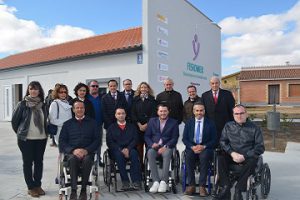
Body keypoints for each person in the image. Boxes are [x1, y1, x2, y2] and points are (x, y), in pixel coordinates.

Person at [213, 105, 265, 200]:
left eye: (241, 113)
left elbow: (260, 147)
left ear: (246, 114)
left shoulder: (255, 128)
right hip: (232, 155)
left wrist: (245, 156)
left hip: (248, 158)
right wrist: (232, 153)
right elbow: (223, 141)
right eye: (236, 113)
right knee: (220, 158)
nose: (239, 116)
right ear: (233, 115)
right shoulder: (228, 126)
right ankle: (225, 187)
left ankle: (239, 190)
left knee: (253, 160)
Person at [11, 81, 48, 198]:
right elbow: (15, 122)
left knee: (39, 162)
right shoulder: (22, 104)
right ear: (28, 90)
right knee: (27, 163)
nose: (33, 91)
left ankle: (37, 185)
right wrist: (21, 133)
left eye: (36, 89)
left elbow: (46, 120)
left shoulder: (43, 105)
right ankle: (30, 187)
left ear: (39, 91)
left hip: (41, 138)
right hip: (26, 140)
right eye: (31, 89)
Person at [59, 100, 100, 200]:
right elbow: (62, 141)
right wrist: (73, 150)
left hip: (88, 152)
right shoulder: (67, 124)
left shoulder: (92, 123)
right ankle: (73, 191)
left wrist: (86, 150)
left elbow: (97, 140)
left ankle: (83, 190)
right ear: (73, 110)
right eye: (77, 108)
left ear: (84, 109)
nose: (79, 110)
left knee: (87, 160)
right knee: (72, 159)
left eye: (81, 108)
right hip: (72, 153)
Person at [182, 102, 217, 197]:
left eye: (201, 110)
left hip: (205, 148)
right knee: (188, 156)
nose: (199, 112)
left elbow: (214, 140)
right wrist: (192, 147)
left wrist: (204, 146)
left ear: (204, 111)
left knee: (204, 157)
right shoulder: (189, 123)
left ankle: (202, 186)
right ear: (193, 112)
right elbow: (184, 139)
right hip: (192, 147)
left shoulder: (211, 123)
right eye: (197, 110)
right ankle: (191, 185)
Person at [144, 104, 179, 193]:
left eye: (165, 111)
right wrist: (152, 144)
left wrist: (166, 146)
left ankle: (163, 181)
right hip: (154, 147)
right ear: (157, 112)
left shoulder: (174, 122)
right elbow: (147, 136)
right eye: (161, 111)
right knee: (150, 153)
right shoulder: (152, 121)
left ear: (168, 111)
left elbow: (175, 138)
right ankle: (156, 181)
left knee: (167, 154)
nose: (163, 113)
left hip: (166, 146)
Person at [106, 108, 142, 190]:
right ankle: (125, 181)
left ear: (125, 115)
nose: (121, 115)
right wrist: (120, 149)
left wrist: (128, 149)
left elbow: (135, 139)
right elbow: (110, 142)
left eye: (123, 113)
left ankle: (136, 181)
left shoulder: (132, 126)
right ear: (115, 115)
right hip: (117, 150)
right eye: (119, 114)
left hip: (130, 148)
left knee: (134, 154)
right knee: (119, 156)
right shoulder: (111, 128)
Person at [202, 76, 235, 142]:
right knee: (212, 144)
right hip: (210, 125)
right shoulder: (204, 95)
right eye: (212, 83)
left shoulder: (227, 94)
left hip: (225, 125)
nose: (214, 85)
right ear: (210, 84)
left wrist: (231, 123)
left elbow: (232, 110)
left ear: (219, 83)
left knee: (224, 144)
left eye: (216, 83)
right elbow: (203, 111)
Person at [131, 82, 157, 166]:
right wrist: (139, 124)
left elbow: (154, 114)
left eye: (145, 87)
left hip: (149, 127)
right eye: (142, 87)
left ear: (148, 89)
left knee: (148, 146)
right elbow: (132, 113)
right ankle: (140, 165)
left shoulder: (153, 100)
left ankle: (147, 165)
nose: (143, 89)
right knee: (139, 146)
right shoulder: (135, 99)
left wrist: (146, 124)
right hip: (137, 127)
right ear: (139, 89)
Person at [87, 80, 104, 167]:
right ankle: (90, 159)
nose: (95, 88)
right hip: (88, 125)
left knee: (99, 143)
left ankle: (98, 159)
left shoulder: (102, 97)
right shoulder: (86, 98)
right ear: (89, 87)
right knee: (89, 143)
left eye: (97, 86)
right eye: (93, 86)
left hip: (99, 124)